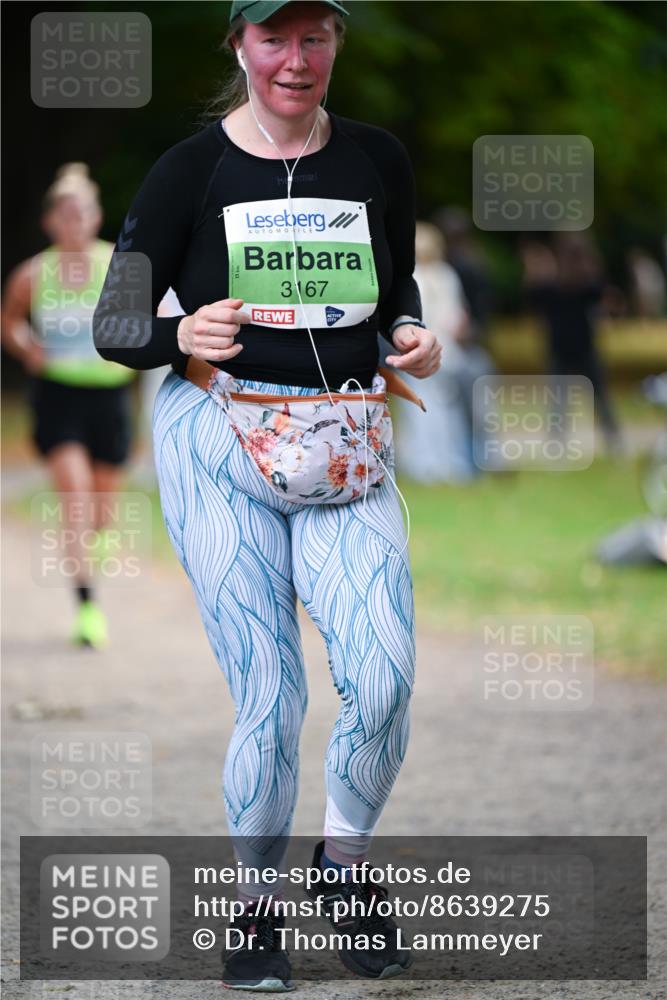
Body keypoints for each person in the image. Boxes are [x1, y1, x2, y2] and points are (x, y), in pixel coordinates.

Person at [93, 0, 441, 989]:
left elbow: (396, 287)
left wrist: (409, 335)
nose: (295, 60)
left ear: (336, 42)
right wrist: (177, 334)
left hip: (344, 440)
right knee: (271, 694)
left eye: (315, 36)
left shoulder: (377, 158)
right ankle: (254, 912)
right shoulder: (188, 170)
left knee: (381, 677)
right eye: (273, 38)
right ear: (239, 45)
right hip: (221, 440)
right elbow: (114, 328)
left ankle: (342, 868)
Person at [1, 163, 135, 649]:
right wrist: (25, 345)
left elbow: (149, 319)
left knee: (101, 512)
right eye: (64, 214)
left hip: (110, 397)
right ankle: (87, 607)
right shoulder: (33, 274)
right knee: (75, 500)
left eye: (82, 213)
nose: (73, 222)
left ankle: (94, 545)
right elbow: (10, 322)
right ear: (51, 222)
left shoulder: (119, 267)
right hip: (58, 397)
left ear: (96, 218)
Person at [522, 233, 621, 453]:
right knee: (563, 400)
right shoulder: (554, 285)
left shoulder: (584, 285)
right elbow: (532, 297)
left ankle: (611, 441)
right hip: (563, 348)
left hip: (581, 347)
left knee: (596, 398)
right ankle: (560, 444)